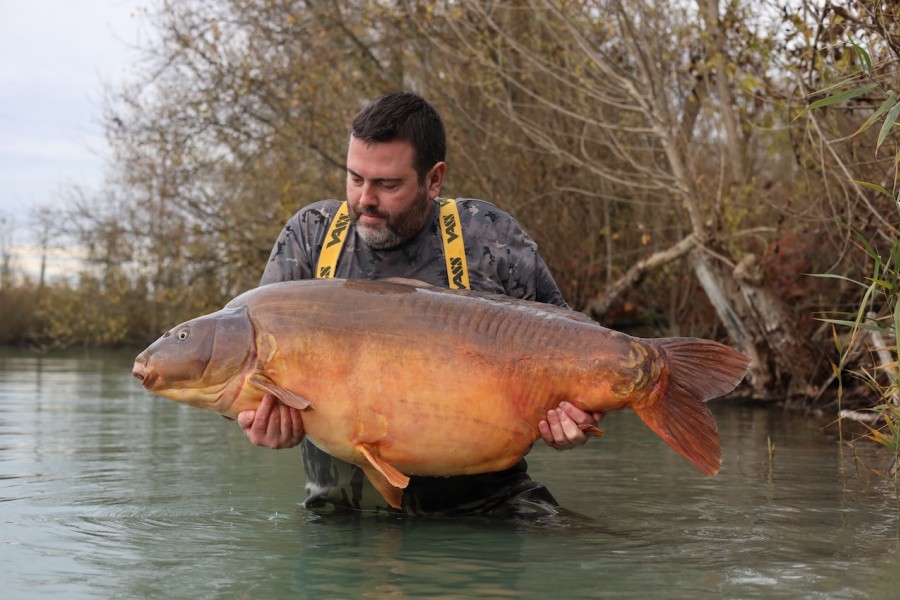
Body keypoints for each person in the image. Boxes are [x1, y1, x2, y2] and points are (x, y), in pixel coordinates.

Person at [238, 91, 601, 516]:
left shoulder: (488, 235)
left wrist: (576, 419)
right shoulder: (310, 236)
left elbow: (578, 354)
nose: (365, 200)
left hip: (487, 508)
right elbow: (243, 371)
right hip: (345, 515)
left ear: (434, 179)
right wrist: (258, 423)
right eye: (355, 179)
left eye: (387, 184)